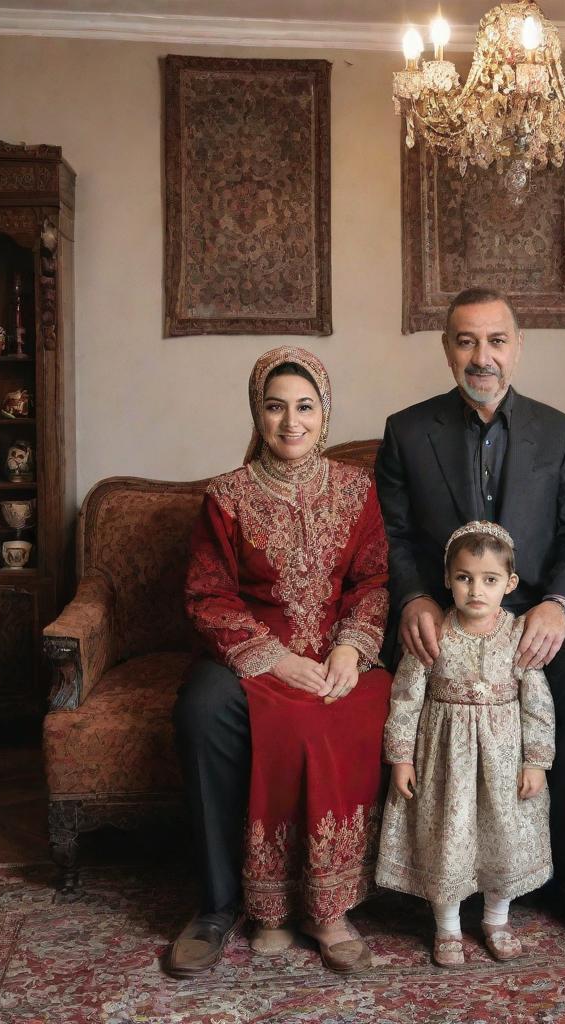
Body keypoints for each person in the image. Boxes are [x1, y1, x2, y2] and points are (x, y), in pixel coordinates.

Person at [375, 287, 565, 946]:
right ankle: (435, 880)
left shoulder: (559, 431)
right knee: (403, 677)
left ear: (519, 346)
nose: (481, 356)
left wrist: (559, 604)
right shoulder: (406, 431)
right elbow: (392, 537)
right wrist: (414, 598)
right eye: (465, 340)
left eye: (495, 340)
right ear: (446, 348)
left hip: (532, 615)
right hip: (446, 620)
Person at [165, 347, 392, 978]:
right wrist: (271, 659)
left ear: (325, 415)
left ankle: (328, 908)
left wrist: (351, 646)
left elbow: (373, 582)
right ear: (256, 414)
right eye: (274, 406)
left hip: (339, 653)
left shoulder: (357, 491)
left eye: (305, 407)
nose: (291, 421)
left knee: (366, 705)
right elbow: (207, 594)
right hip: (249, 656)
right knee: (202, 711)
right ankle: (219, 906)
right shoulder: (227, 497)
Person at [376, 521, 555, 967]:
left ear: (510, 583)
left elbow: (537, 704)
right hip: (445, 760)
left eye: (490, 580)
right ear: (447, 579)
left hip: (502, 758)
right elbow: (406, 697)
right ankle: (448, 925)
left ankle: (496, 917)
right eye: (464, 578)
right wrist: (400, 757)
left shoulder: (517, 635)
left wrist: (536, 761)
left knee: (502, 837)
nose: (476, 590)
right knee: (448, 838)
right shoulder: (434, 633)